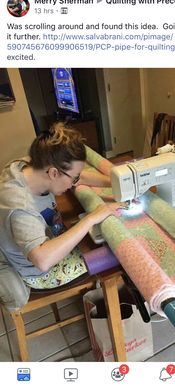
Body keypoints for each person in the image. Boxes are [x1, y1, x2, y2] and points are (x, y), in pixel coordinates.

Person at [0, 122, 120, 291]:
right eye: (73, 178)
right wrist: (91, 219)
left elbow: (80, 177)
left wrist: (119, 182)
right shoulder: (20, 207)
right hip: (40, 273)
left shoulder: (29, 165)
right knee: (119, 254)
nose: (74, 183)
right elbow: (42, 261)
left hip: (50, 238)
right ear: (54, 173)